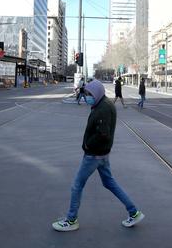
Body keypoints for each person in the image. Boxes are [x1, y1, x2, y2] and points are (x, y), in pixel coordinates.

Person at [52, 80, 144, 232]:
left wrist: (88, 145)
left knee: (77, 185)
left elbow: (103, 134)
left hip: (94, 155)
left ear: (97, 93)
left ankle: (71, 219)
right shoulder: (105, 103)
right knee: (109, 182)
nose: (88, 97)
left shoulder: (102, 109)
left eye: (89, 94)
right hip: (103, 154)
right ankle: (133, 212)